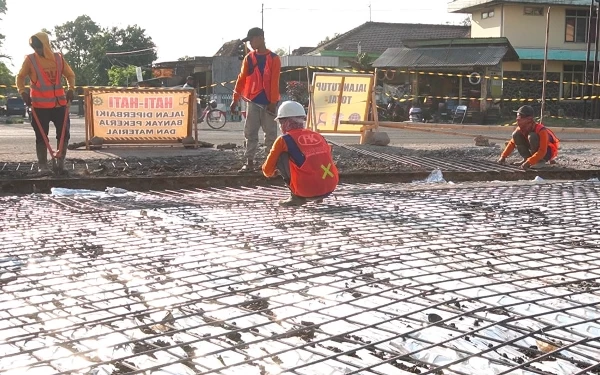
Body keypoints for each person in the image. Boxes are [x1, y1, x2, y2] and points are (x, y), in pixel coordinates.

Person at [17, 32, 75, 174]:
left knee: (64, 134)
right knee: (41, 136)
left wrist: (71, 89)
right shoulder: (30, 60)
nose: (37, 50)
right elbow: (20, 77)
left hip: (59, 105)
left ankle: (60, 163)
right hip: (39, 106)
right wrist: (23, 92)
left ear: (45, 45)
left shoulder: (58, 58)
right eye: (35, 48)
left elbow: (70, 74)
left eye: (39, 47)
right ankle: (43, 165)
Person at [262, 101, 339, 207]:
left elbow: (267, 171)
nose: (280, 126)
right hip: (330, 188)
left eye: (280, 122)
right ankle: (319, 197)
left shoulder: (284, 140)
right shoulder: (318, 135)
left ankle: (296, 197)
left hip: (306, 190)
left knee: (281, 155)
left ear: (286, 123)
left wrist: (272, 172)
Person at [230, 27, 281, 172]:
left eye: (252, 39)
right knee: (250, 133)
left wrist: (272, 102)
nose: (250, 43)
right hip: (253, 101)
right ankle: (249, 163)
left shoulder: (274, 58)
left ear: (260, 38)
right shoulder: (249, 58)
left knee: (270, 135)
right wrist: (235, 98)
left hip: (269, 103)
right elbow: (241, 79)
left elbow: (274, 81)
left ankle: (270, 165)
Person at [498, 105, 559, 170]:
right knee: (516, 134)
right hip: (536, 154)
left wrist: (529, 162)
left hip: (547, 152)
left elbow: (542, 150)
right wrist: (503, 156)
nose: (517, 119)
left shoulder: (541, 130)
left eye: (520, 116)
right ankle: (526, 159)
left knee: (532, 136)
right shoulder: (521, 129)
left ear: (529, 119)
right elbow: (512, 143)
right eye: (517, 116)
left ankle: (539, 161)